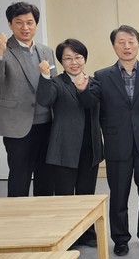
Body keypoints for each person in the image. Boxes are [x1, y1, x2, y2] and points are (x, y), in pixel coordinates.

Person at [78, 25, 139, 257]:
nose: (127, 47)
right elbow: (89, 102)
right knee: (119, 194)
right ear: (114, 46)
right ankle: (120, 239)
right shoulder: (102, 76)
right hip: (117, 144)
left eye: (131, 42)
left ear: (138, 43)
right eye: (121, 42)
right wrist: (82, 88)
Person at [0, 1, 56, 197]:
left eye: (30, 22)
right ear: (10, 25)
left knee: (46, 176)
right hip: (17, 126)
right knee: (19, 177)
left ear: (36, 25)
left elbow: (54, 86)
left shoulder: (46, 51)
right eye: (19, 23)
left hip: (47, 124)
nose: (25, 27)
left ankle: (44, 219)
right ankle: (18, 222)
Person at [36, 38, 102, 247]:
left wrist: (83, 89)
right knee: (65, 195)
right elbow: (45, 100)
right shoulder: (55, 82)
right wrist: (45, 76)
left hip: (89, 146)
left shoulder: (93, 82)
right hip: (64, 147)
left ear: (84, 59)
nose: (74, 62)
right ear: (61, 62)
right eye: (68, 58)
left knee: (86, 193)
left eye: (78, 57)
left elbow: (90, 103)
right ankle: (67, 234)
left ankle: (87, 233)